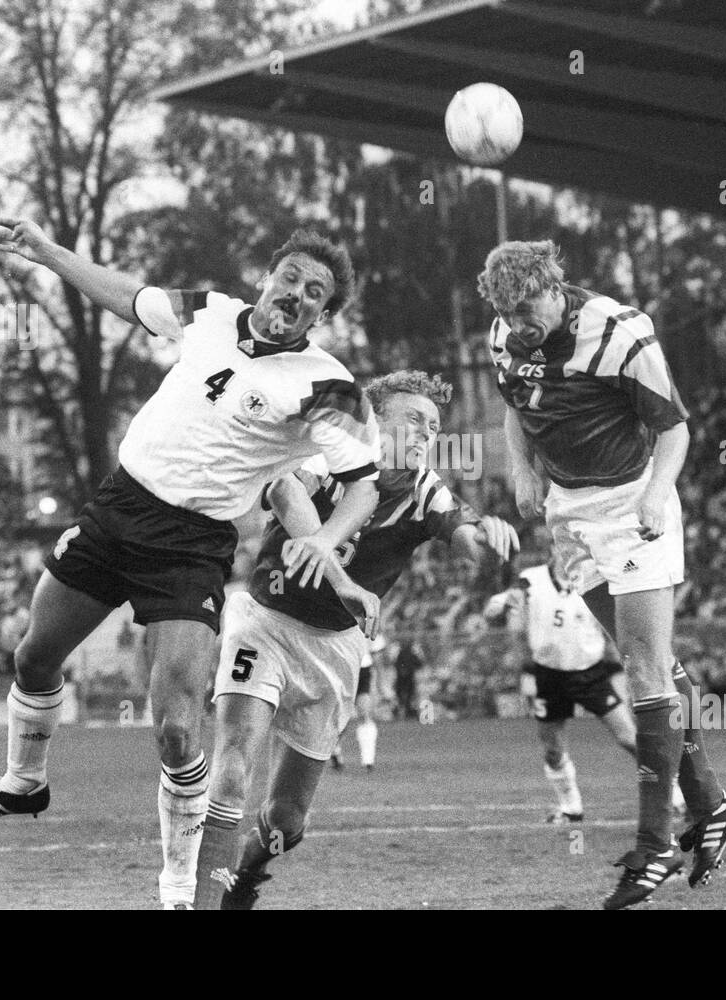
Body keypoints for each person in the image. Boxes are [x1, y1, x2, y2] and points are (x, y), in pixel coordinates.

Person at [0, 219, 381, 910]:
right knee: (32, 657)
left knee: (177, 724)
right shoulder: (209, 312)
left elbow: (363, 482)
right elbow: (128, 297)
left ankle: (177, 885)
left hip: (189, 547)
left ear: (324, 315)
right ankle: (24, 780)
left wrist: (328, 542)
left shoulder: (327, 386)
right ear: (268, 278)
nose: (296, 293)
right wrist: (50, 254)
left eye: (315, 292)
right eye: (290, 277)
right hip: (117, 509)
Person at [477, 240, 726, 909]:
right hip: (570, 515)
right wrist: (522, 467)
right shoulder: (504, 336)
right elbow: (515, 406)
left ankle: (655, 844)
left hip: (632, 509)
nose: (519, 323)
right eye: (507, 312)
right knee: (645, 655)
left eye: (528, 306)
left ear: (556, 285)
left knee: (646, 669)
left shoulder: (621, 333)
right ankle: (710, 804)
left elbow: (676, 428)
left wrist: (657, 495)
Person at [197, 369, 519, 909]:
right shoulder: (330, 454)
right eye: (413, 420)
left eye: (434, 427)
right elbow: (283, 488)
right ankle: (200, 898)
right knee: (232, 766)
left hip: (336, 648)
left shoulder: (425, 491)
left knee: (287, 821)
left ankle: (249, 870)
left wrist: (488, 537)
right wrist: (340, 576)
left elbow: (464, 539)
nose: (425, 434)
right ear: (376, 421)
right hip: (264, 623)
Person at [485, 558, 643, 824]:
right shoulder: (530, 579)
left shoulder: (595, 580)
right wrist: (498, 605)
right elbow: (496, 608)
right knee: (552, 748)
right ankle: (571, 808)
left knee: (630, 738)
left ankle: (674, 793)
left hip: (591, 674)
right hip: (548, 676)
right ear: (553, 548)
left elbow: (614, 628)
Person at [330, 644, 378, 772]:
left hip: (363, 667)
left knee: (365, 712)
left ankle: (368, 760)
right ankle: (334, 750)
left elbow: (375, 646)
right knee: (340, 717)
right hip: (342, 666)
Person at [393, 640, 423, 721]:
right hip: (408, 679)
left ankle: (403, 713)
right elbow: (419, 664)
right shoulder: (411, 654)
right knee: (408, 697)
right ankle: (406, 713)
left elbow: (396, 664)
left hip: (403, 679)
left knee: (402, 698)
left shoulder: (401, 654)